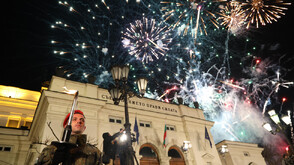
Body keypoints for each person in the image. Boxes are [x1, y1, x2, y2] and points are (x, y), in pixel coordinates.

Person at [36, 110, 102, 165]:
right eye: (74, 119)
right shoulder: (52, 149)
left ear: (84, 128)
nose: (79, 121)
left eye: (82, 120)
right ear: (65, 126)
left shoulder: (94, 151)